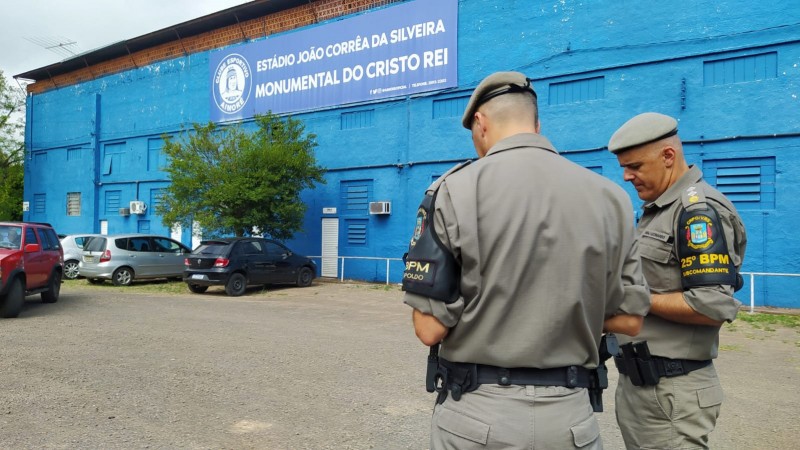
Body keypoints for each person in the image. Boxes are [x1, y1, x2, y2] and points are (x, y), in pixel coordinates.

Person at [402, 71, 651, 449]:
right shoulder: (612, 198)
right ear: (537, 124)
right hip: (571, 421)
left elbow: (429, 330)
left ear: (481, 124)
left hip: (476, 420)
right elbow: (631, 320)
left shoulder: (452, 191)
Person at [607, 112, 747, 449]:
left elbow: (712, 305)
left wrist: (633, 300)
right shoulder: (659, 210)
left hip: (672, 389)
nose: (626, 176)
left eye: (635, 166)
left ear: (668, 156)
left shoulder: (697, 211)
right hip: (644, 388)